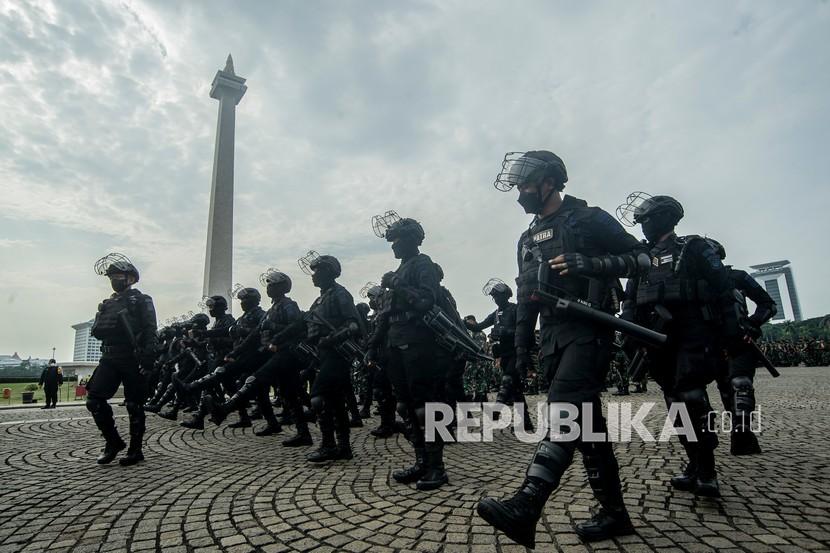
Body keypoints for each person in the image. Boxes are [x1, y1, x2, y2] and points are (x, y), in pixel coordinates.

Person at [477, 151, 649, 546]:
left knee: (564, 412)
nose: (520, 192)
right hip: (553, 339)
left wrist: (590, 263)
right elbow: (525, 298)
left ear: (549, 182)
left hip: (590, 331)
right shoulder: (525, 239)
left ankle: (527, 504)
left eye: (525, 184)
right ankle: (615, 514)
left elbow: (643, 257)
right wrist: (521, 354)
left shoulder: (589, 219)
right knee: (589, 431)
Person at [620, 193, 731, 497]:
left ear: (663, 218)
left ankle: (707, 470)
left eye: (645, 220)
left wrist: (729, 334)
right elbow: (629, 298)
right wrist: (630, 332)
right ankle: (693, 463)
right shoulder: (641, 256)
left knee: (692, 397)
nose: (642, 226)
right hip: (656, 339)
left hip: (692, 333)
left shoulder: (693, 247)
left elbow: (723, 288)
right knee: (674, 403)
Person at [367, 211, 448, 490]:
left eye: (398, 240)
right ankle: (421, 461)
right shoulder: (399, 270)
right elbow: (386, 314)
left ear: (411, 241)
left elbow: (427, 301)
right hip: (395, 343)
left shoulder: (422, 265)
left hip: (418, 342)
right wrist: (374, 345)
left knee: (425, 407)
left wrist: (398, 284)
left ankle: (437, 467)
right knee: (404, 405)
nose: (393, 245)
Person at [86, 253, 158, 466]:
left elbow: (150, 330)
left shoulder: (142, 300)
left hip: (132, 356)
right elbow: (97, 330)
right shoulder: (108, 303)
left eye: (119, 275)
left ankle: (136, 450)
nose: (116, 280)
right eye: (112, 276)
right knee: (94, 400)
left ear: (131, 278)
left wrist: (148, 360)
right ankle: (113, 442)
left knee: (134, 404)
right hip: (109, 356)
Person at [709, 239, 777, 455]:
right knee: (724, 390)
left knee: (740, 385)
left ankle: (743, 434)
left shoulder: (737, 277)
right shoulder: (695, 282)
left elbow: (768, 304)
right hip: (709, 342)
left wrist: (753, 324)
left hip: (740, 339)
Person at [300, 252, 363, 463]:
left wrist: (331, 339)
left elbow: (353, 325)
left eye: (317, 271)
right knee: (335, 402)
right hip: (324, 354)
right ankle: (343, 447)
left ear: (329, 272)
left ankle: (328, 445)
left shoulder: (340, 294)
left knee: (317, 398)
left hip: (337, 353)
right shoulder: (321, 298)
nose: (313, 275)